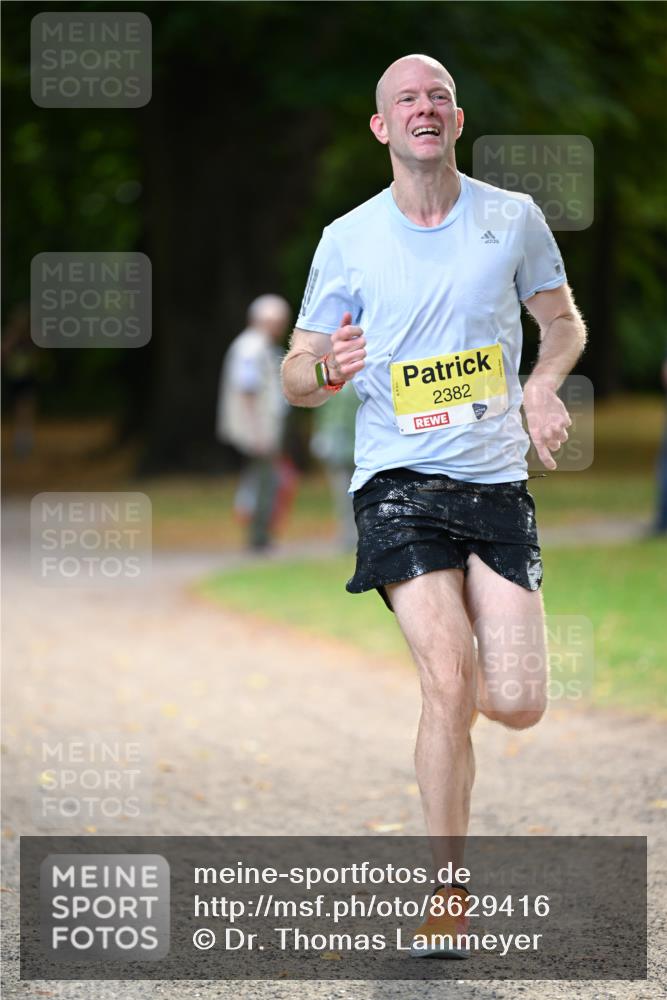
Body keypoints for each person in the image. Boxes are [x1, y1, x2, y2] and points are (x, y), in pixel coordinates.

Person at [281, 54, 587, 956]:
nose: (424, 108)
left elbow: (561, 321)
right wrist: (324, 371)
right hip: (396, 485)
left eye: (438, 98)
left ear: (456, 121)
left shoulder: (511, 218)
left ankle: (463, 711)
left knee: (518, 701)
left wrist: (542, 383)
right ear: (383, 127)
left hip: (494, 483)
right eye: (406, 99)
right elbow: (297, 370)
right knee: (447, 679)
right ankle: (446, 895)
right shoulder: (348, 238)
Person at [217, 294, 292, 550]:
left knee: (261, 480)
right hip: (259, 430)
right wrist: (257, 432)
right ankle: (258, 538)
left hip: (262, 428)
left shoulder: (259, 345)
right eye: (277, 322)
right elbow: (246, 389)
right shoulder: (251, 347)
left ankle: (260, 536)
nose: (281, 327)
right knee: (263, 482)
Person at [310, 380, 360, 550]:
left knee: (361, 495)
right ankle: (348, 536)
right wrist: (320, 436)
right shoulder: (331, 384)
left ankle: (364, 534)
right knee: (342, 496)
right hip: (336, 451)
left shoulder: (362, 384)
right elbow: (323, 414)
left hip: (359, 450)